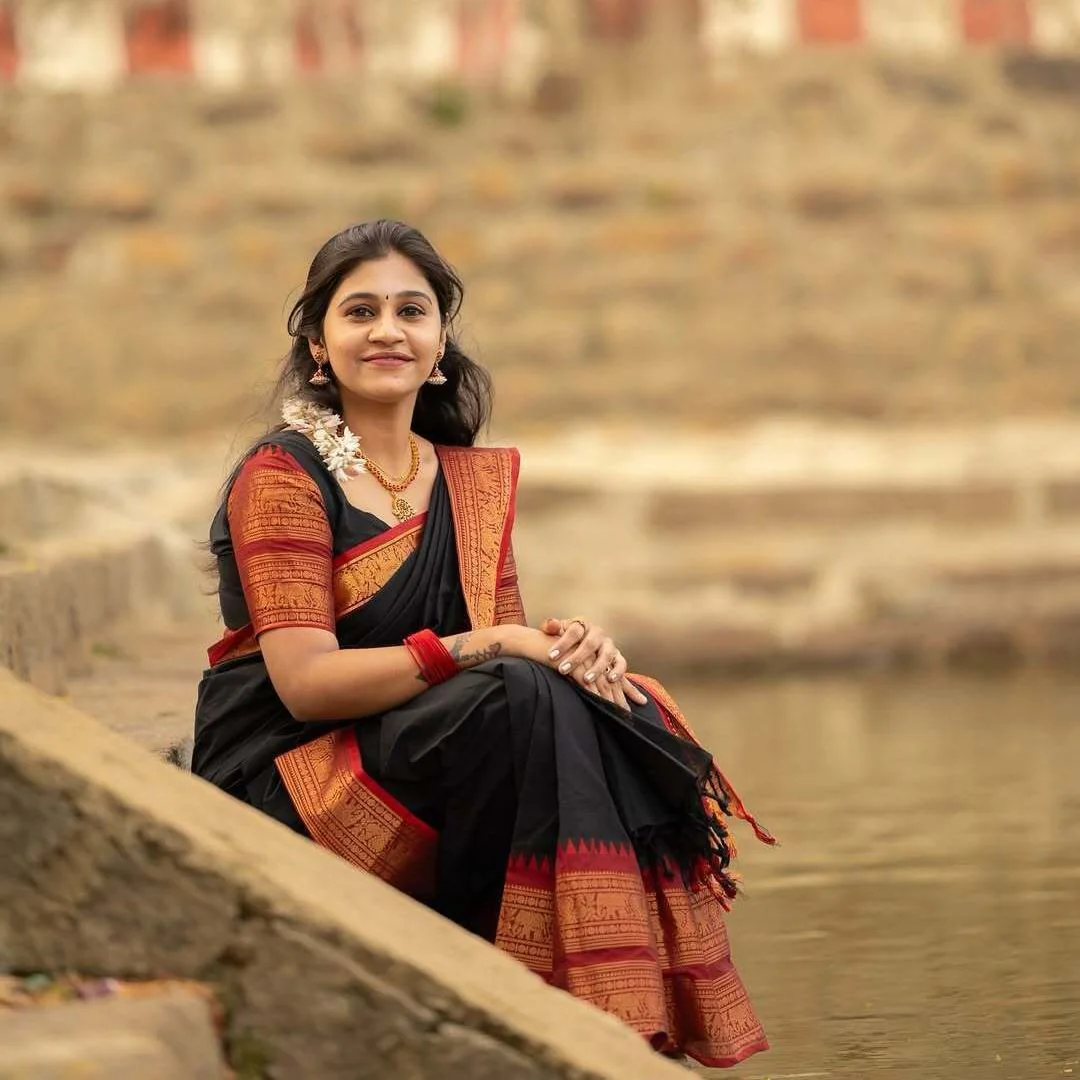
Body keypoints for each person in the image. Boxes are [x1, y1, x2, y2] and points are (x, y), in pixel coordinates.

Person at [192, 220, 773, 1069]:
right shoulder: (282, 477)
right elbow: (307, 685)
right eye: (360, 312)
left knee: (611, 695)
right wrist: (493, 644)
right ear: (319, 346)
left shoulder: (464, 479)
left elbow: (499, 644)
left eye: (410, 311)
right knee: (521, 691)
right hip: (292, 775)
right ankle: (542, 976)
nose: (386, 329)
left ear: (438, 348)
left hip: (418, 752)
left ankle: (583, 985)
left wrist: (567, 646)